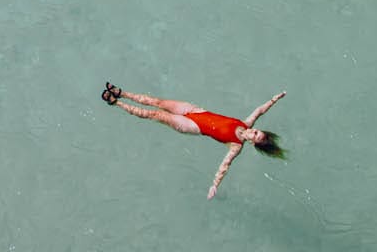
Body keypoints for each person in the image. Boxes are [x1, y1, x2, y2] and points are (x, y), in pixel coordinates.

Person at [102, 83, 286, 196]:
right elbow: (260, 110)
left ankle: (116, 102)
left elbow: (225, 166)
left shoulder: (235, 146)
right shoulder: (246, 123)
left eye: (255, 135)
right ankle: (122, 93)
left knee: (154, 114)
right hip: (196, 111)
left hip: (191, 126)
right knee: (158, 102)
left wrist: (215, 185)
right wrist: (274, 99)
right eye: (257, 131)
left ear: (253, 142)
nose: (253, 131)